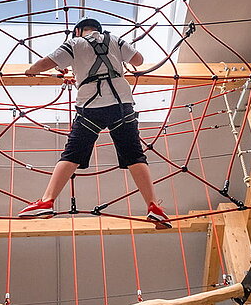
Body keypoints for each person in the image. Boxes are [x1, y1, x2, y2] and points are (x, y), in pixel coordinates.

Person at [18, 18, 171, 228]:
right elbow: (139, 61)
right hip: (121, 104)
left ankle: (47, 201)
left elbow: (44, 64)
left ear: (78, 31)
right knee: (135, 155)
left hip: (91, 107)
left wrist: (30, 71)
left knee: (72, 154)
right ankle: (154, 208)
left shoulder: (75, 43)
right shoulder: (115, 40)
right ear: (99, 30)